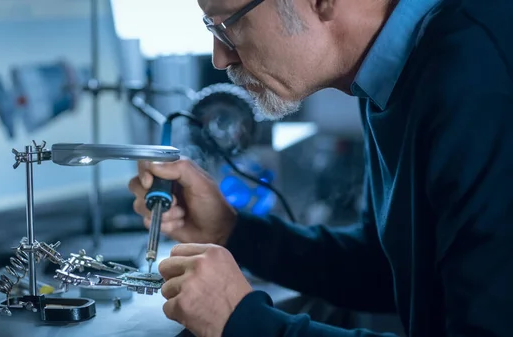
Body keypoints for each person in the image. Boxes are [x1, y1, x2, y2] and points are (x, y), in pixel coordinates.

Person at [129, 0, 513, 336]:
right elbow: (386, 269)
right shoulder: (392, 74)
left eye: (230, 23)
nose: (220, 57)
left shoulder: (480, 73)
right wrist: (229, 229)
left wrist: (243, 323)